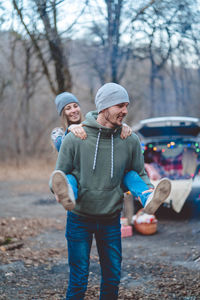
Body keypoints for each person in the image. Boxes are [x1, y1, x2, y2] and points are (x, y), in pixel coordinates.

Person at [49, 83, 171, 299]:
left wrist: (147, 185)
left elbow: (138, 172)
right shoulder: (74, 138)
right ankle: (69, 193)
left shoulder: (129, 139)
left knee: (112, 278)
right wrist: (58, 190)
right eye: (120, 105)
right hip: (79, 218)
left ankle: (148, 196)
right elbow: (58, 174)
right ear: (104, 107)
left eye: (127, 106)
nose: (125, 111)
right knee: (78, 281)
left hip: (110, 219)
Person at [50, 92, 169, 215]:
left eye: (75, 106)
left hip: (100, 176)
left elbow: (107, 129)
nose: (73, 110)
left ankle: (147, 197)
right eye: (68, 108)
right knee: (69, 178)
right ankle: (68, 197)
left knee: (130, 175)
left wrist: (123, 126)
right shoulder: (58, 133)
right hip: (78, 177)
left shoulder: (89, 126)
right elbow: (62, 145)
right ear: (62, 113)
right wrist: (69, 131)